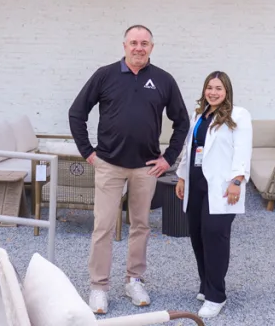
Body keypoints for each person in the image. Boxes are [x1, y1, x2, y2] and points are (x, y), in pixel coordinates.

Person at [69, 25, 190, 315]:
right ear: (124, 45)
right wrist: (88, 152)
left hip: (146, 168)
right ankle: (98, 287)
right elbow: (77, 113)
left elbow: (182, 121)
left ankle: (134, 280)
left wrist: (168, 158)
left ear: (152, 47)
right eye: (134, 42)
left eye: (144, 43)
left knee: (140, 225)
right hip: (109, 165)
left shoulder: (163, 80)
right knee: (103, 227)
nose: (139, 47)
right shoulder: (105, 75)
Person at [175, 71, 252, 319]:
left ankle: (216, 296)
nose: (213, 92)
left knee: (214, 237)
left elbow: (242, 151)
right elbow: (191, 148)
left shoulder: (238, 115)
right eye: (210, 87)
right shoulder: (199, 114)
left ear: (227, 91)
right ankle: (205, 285)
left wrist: (237, 181)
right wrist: (182, 176)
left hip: (221, 186)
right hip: (196, 182)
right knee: (197, 236)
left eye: (219, 88)